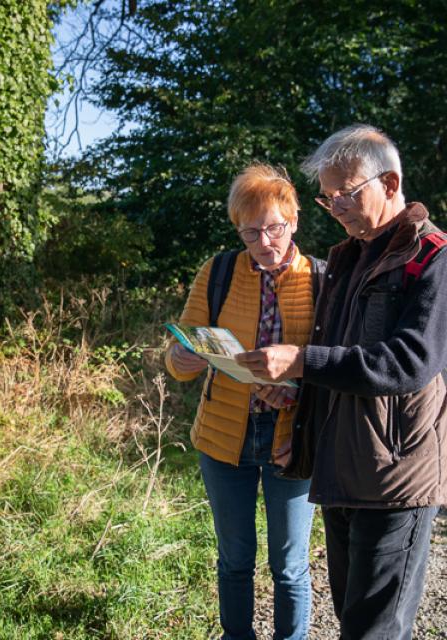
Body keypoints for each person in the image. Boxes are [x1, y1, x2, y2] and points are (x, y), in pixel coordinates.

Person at [237, 124, 447, 639]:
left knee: (376, 629)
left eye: (346, 194)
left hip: (396, 475)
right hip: (340, 467)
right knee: (351, 619)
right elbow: (335, 353)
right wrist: (293, 402)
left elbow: (410, 361)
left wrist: (303, 360)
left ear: (391, 184)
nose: (337, 207)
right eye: (328, 198)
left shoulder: (434, 257)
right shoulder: (348, 256)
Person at [165, 163, 320, 640]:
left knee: (289, 564)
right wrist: (183, 360)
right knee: (234, 559)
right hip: (222, 437)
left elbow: (332, 366)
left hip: (291, 441)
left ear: (293, 221)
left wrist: (295, 388)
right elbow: (181, 351)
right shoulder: (218, 272)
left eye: (273, 227)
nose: (264, 241)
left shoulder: (321, 278)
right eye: (251, 232)